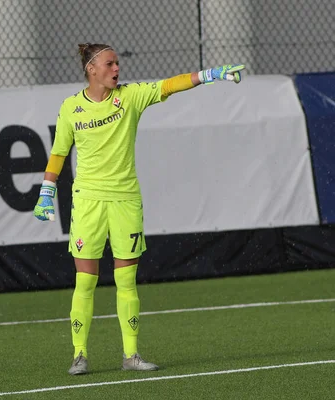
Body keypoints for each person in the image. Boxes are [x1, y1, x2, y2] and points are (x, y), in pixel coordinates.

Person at [33, 42, 244, 375]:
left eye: (118, 63)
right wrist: (46, 193)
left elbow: (169, 85)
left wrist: (209, 75)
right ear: (91, 69)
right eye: (110, 64)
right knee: (85, 282)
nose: (117, 69)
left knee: (126, 281)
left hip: (125, 201)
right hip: (88, 203)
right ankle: (79, 354)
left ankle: (131, 356)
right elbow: (58, 154)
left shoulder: (130, 97)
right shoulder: (71, 107)